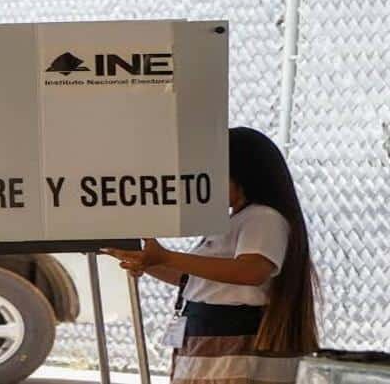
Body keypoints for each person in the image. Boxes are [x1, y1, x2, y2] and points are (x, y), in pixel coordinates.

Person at [105, 127, 318, 383]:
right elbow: (194, 278)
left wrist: (167, 257)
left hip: (234, 347)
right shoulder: (232, 220)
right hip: (209, 342)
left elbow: (251, 271)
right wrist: (147, 260)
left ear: (241, 175)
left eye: (212, 174)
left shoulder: (263, 218)